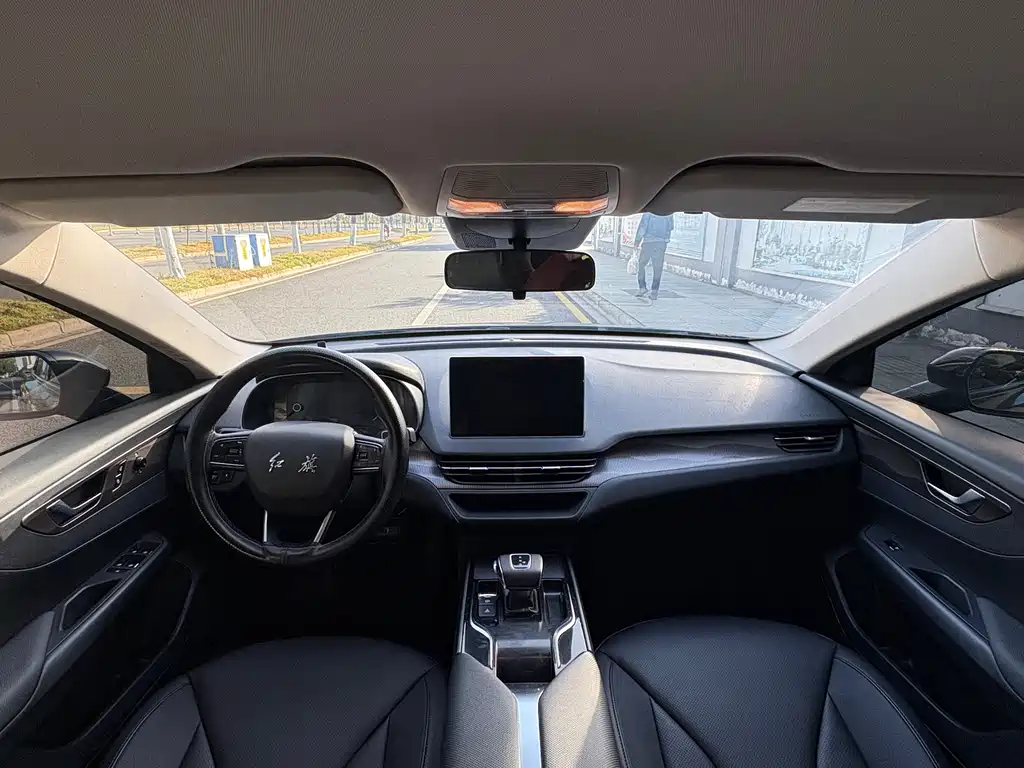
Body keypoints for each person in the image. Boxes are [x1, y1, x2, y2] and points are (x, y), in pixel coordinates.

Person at [633, 212, 674, 300]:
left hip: (648, 241)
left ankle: (642, 287)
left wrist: (637, 241)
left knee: (641, 264)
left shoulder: (649, 211)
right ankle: (654, 291)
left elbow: (643, 226)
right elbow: (671, 227)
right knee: (658, 267)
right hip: (661, 243)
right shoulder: (669, 212)